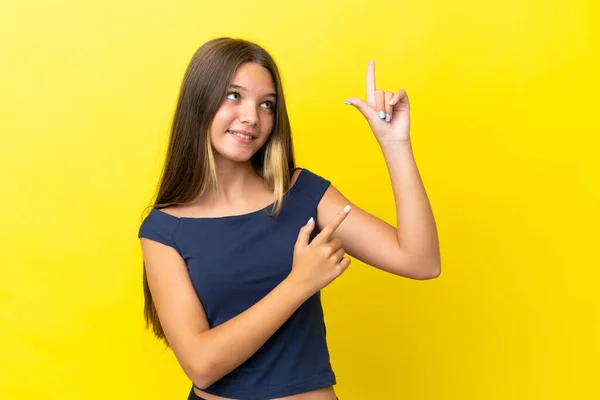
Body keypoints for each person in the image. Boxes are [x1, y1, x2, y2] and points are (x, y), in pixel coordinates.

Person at [138, 37, 441, 400]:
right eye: (233, 96)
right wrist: (299, 283)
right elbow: (201, 365)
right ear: (199, 101)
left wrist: (395, 144)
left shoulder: (302, 195)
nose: (252, 117)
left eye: (267, 104)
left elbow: (420, 261)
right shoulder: (164, 229)